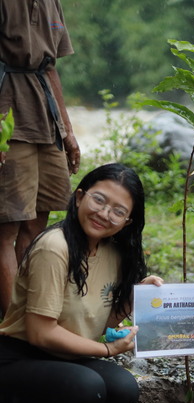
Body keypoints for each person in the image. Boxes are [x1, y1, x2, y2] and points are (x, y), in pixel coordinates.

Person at [0, 163, 162, 403]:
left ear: (128, 221)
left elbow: (97, 321)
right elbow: (40, 333)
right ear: (79, 197)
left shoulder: (113, 253)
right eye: (99, 200)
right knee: (88, 387)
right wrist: (107, 350)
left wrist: (133, 299)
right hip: (14, 360)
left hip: (60, 361)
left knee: (124, 389)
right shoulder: (54, 247)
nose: (104, 214)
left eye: (118, 211)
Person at [0, 0, 81, 316]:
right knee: (7, 227)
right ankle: (12, 326)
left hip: (45, 120)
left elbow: (49, 67)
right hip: (9, 116)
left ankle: (32, 314)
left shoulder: (51, 2)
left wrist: (67, 130)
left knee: (37, 222)